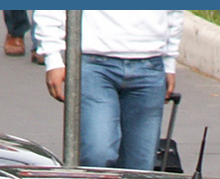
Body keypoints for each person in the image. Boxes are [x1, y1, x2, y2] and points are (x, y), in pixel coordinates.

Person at [34, 10, 184, 170]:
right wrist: (52, 57)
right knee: (97, 155)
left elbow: (175, 11)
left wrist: (169, 61)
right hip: (95, 62)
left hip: (150, 64)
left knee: (140, 166)